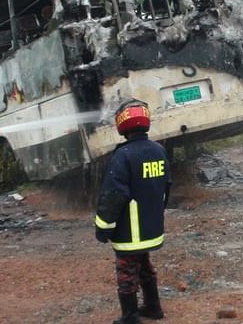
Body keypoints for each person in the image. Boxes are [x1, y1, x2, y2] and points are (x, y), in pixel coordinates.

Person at [95, 99, 171, 324]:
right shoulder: (159, 151)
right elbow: (166, 188)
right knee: (144, 265)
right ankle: (153, 306)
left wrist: (102, 228)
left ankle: (130, 317)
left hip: (130, 232)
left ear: (122, 124)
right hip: (151, 229)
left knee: (127, 272)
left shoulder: (123, 156)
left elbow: (112, 197)